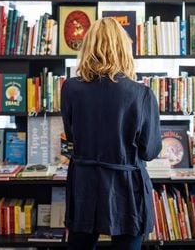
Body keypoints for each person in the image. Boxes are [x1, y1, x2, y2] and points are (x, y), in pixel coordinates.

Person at [60, 17, 162, 250]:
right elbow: (149, 151)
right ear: (123, 49)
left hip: (84, 184)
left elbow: (72, 137)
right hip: (126, 187)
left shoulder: (70, 88)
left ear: (87, 48)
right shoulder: (141, 93)